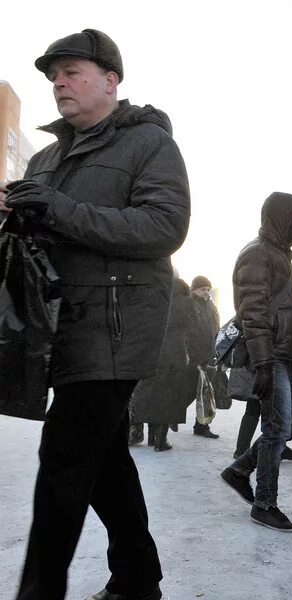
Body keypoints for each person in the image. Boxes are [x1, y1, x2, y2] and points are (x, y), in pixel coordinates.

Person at [0, 29, 189, 600]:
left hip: (115, 327)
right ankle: (137, 576)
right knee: (103, 459)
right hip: (59, 327)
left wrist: (55, 208)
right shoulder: (47, 156)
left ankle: (38, 592)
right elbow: (46, 237)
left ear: (111, 80)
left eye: (72, 71)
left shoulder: (150, 145)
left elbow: (163, 228)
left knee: (63, 457)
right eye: (53, 75)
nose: (59, 83)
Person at [220, 192, 292, 532]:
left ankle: (240, 469)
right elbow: (253, 316)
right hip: (269, 357)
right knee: (275, 431)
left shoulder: (278, 256)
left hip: (283, 357)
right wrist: (262, 364)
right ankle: (264, 503)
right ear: (282, 217)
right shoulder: (257, 255)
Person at [129, 277, 206, 451]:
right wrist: (197, 356)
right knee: (169, 397)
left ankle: (150, 437)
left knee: (152, 394)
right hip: (175, 353)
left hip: (153, 351)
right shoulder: (186, 302)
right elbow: (194, 330)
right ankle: (160, 440)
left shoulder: (156, 298)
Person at [190, 275, 221, 439]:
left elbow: (215, 329)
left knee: (206, 393)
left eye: (208, 289)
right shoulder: (189, 303)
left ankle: (201, 426)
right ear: (194, 288)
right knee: (185, 393)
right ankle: (161, 426)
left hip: (208, 356)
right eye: (202, 289)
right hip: (192, 356)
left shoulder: (210, 305)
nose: (206, 292)